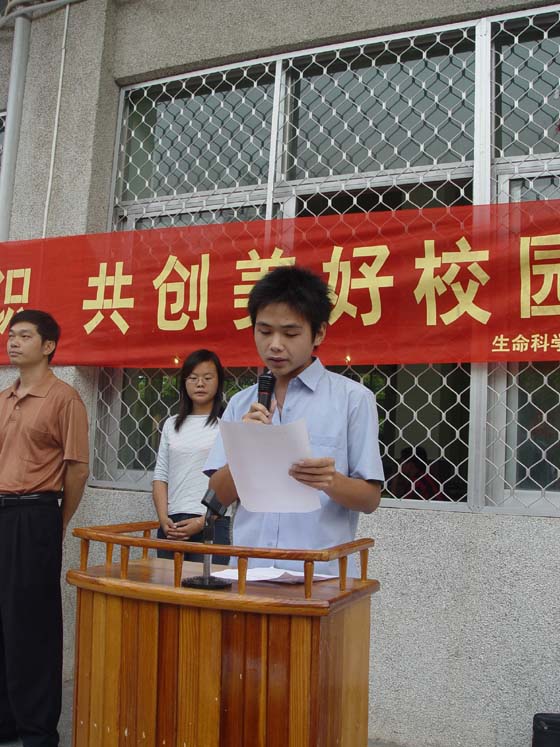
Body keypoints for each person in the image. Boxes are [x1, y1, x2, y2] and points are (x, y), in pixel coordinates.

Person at [205, 265, 384, 575]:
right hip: (249, 575)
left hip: (321, 579)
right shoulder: (240, 403)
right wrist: (247, 448)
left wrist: (330, 481)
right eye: (264, 331)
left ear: (319, 333)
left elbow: (370, 499)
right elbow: (216, 498)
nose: (275, 344)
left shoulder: (353, 400)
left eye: (290, 333)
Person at [0, 310, 89, 747]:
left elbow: (78, 468)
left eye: (24, 336)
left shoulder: (64, 398)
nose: (13, 342)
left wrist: (58, 520)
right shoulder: (3, 397)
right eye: (11, 335)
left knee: (32, 624)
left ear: (48, 345)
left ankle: (37, 731)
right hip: (1, 512)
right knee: (2, 621)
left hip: (35, 513)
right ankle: (5, 722)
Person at [152, 349, 230, 564]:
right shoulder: (171, 424)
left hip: (212, 522)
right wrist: (163, 518)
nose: (200, 384)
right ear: (184, 382)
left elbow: (234, 478)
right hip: (172, 525)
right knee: (168, 585)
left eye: (207, 378)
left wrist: (203, 521)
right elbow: (161, 475)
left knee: (208, 586)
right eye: (193, 378)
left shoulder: (227, 424)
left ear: (218, 382)